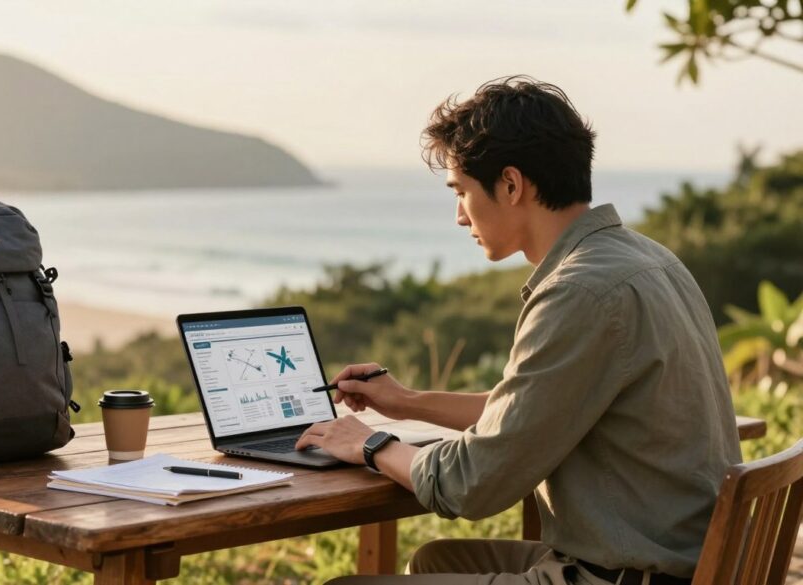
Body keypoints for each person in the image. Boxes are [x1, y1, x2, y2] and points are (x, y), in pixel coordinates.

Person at [294, 76, 742, 585]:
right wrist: (407, 401)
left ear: (510, 185)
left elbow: (472, 485)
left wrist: (370, 444)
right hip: (679, 559)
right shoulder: (647, 259)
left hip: (626, 575)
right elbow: (534, 408)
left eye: (461, 191)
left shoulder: (579, 293)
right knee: (437, 561)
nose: (459, 216)